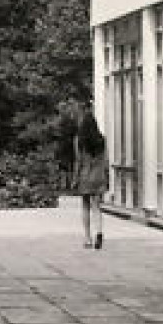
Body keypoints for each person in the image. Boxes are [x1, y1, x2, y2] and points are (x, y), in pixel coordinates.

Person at [73, 102, 109, 250]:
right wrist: (106, 175)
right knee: (97, 206)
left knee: (85, 206)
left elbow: (78, 161)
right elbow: (106, 161)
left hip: (85, 176)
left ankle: (88, 238)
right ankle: (99, 232)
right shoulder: (102, 140)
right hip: (99, 176)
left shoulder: (78, 141)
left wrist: (75, 179)